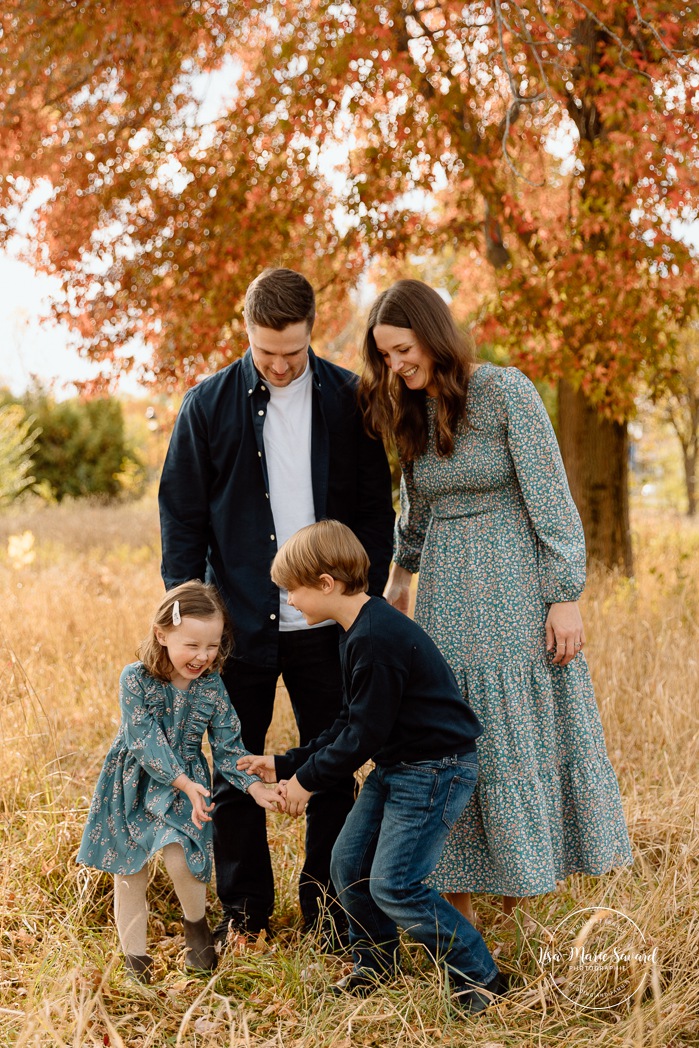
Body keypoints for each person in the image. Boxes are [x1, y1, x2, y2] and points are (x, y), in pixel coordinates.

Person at [358, 279, 633, 923]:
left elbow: (553, 501)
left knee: (512, 735)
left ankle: (518, 891)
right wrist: (399, 581)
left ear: (432, 333)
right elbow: (415, 511)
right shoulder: (413, 412)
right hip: (446, 596)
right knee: (451, 733)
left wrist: (564, 596)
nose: (397, 365)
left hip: (513, 588)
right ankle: (458, 902)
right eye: (387, 357)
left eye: (403, 349)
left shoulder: (506, 391)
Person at [158, 268, 395, 944]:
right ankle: (245, 912)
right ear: (247, 334)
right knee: (235, 766)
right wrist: (186, 616)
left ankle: (329, 910)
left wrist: (361, 598)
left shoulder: (350, 400)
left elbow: (378, 513)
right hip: (238, 625)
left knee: (335, 768)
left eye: (292, 351)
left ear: (312, 332)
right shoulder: (206, 406)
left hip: (329, 625)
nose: (281, 364)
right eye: (267, 352)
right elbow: (181, 518)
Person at [238, 520, 506, 1015]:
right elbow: (349, 722)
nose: (289, 602)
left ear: (326, 583)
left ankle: (479, 975)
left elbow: (364, 736)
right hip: (398, 767)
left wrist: (307, 783)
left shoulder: (376, 638)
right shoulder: (357, 631)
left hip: (434, 770)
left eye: (292, 590)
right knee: (348, 866)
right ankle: (377, 962)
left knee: (394, 884)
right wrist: (284, 764)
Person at [77, 581, 281, 983]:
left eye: (213, 645)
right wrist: (184, 783)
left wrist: (254, 787)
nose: (203, 656)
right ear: (162, 634)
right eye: (192, 645)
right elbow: (143, 739)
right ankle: (135, 962)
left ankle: (197, 929)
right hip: (133, 780)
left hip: (189, 786)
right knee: (129, 870)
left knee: (181, 854)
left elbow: (228, 744)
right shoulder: (134, 678)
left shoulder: (211, 685)